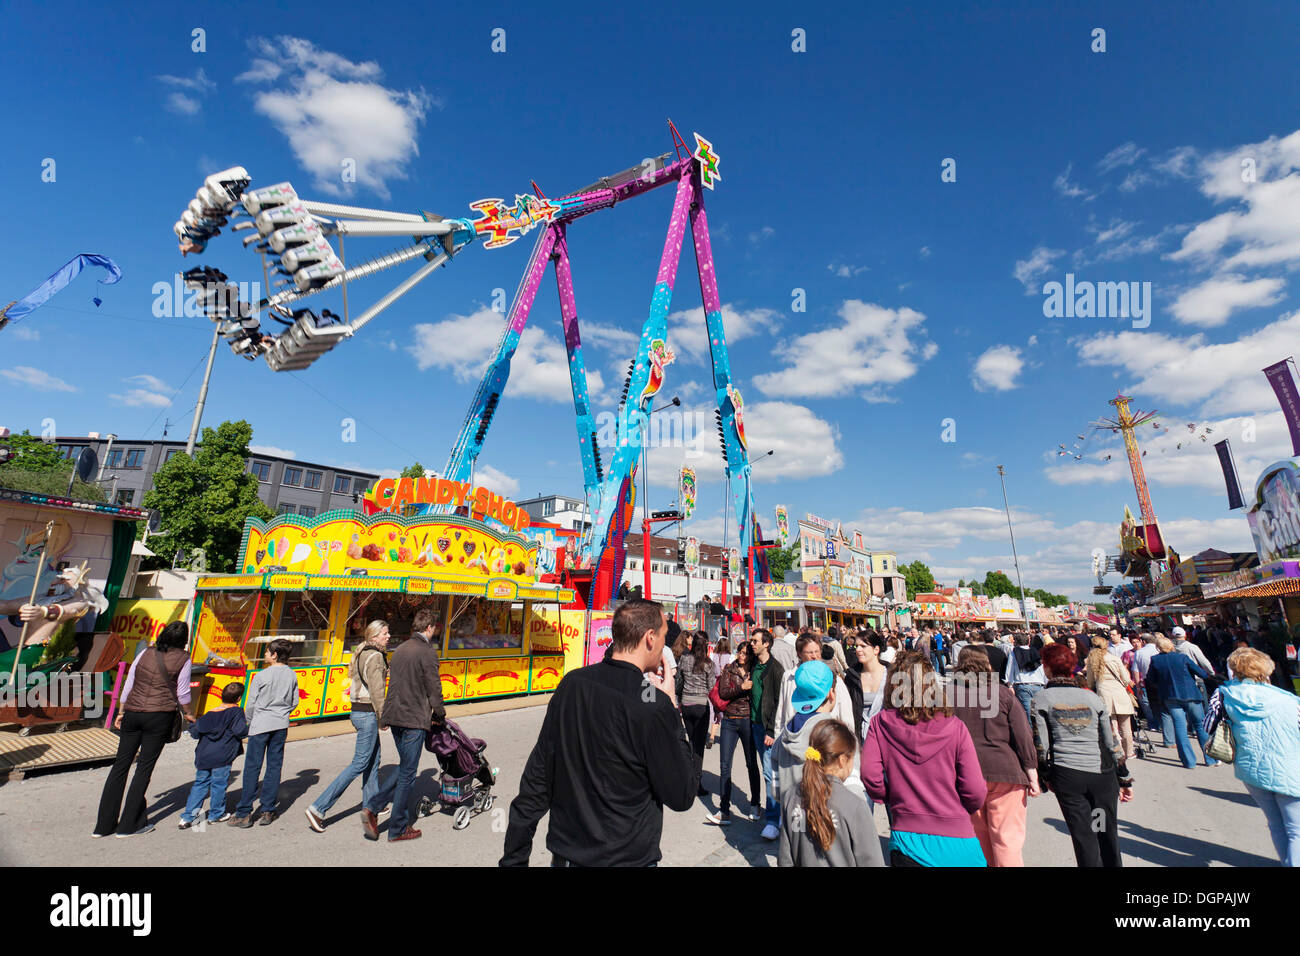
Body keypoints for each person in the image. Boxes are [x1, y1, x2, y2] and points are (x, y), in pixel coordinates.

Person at [501, 600, 698, 866]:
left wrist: (514, 859)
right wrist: (672, 706)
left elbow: (537, 779)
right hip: (626, 859)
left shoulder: (572, 684)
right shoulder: (654, 704)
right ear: (650, 638)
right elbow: (682, 794)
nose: (664, 645)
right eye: (663, 636)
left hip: (568, 855)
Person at [861, 651, 988, 867]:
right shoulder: (954, 726)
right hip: (956, 835)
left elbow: (870, 776)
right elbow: (975, 789)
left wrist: (891, 796)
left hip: (906, 836)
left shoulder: (880, 724)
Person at [1033, 644, 1132, 868]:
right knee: (1104, 832)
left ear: (1047, 668)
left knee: (1084, 837)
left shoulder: (1042, 699)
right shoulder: (1092, 698)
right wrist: (1124, 777)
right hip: (1102, 776)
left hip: (1069, 776)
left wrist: (1045, 776)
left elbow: (1041, 746)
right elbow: (1111, 742)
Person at [94, 620, 194, 838]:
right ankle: (129, 825)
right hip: (159, 716)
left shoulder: (146, 653)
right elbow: (183, 693)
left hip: (132, 713)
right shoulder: (184, 659)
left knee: (120, 766)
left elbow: (129, 683)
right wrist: (189, 713)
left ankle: (103, 826)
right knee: (143, 770)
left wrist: (121, 711)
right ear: (184, 640)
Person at [1205, 647, 1300, 866]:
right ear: (1266, 669)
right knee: (1296, 829)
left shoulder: (1223, 693)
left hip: (1250, 768)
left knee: (1276, 824)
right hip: (1290, 768)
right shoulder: (1288, 699)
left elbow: (1208, 724)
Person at [363, 606, 446, 843]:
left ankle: (374, 809)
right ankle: (395, 825)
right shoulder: (427, 652)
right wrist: (439, 713)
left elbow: (394, 684)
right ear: (430, 628)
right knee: (409, 772)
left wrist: (385, 715)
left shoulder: (400, 649)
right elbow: (434, 687)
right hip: (413, 718)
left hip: (396, 716)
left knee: (405, 766)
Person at [951, 647, 1039, 866]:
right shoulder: (1001, 693)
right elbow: (1022, 735)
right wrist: (1032, 772)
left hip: (966, 774)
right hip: (1005, 771)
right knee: (1006, 839)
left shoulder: (948, 695)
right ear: (987, 665)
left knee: (977, 836)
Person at [305, 620, 390, 832]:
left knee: (373, 759)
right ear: (375, 636)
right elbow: (378, 691)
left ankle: (372, 805)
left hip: (358, 711)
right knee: (360, 763)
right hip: (368, 712)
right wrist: (383, 718)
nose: (389, 637)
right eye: (385, 634)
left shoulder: (362, 652)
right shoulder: (376, 656)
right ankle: (319, 807)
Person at [779, 719, 884, 867]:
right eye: (853, 757)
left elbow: (785, 859)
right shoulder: (855, 806)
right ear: (842, 760)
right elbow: (872, 862)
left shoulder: (791, 796)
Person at [231, 638, 299, 828]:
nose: (266, 654)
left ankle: (244, 812)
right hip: (280, 724)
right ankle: (268, 809)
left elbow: (250, 704)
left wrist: (250, 722)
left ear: (275, 655)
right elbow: (294, 701)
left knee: (253, 767)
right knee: (274, 766)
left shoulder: (261, 676)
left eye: (268, 651)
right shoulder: (291, 675)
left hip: (260, 724)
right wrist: (283, 713)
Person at [706, 642, 762, 825]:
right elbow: (723, 693)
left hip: (746, 719)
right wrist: (741, 688)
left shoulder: (754, 670)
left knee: (751, 764)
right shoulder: (729, 669)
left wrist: (746, 689)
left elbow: (754, 695)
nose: (742, 656)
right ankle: (724, 810)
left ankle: (755, 804)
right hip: (729, 719)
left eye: (746, 653)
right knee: (724, 765)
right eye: (740, 652)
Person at [179, 682, 248, 828]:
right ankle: (216, 814)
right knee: (219, 784)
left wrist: (193, 723)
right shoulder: (236, 712)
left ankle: (188, 817)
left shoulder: (209, 714)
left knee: (200, 784)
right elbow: (240, 731)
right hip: (223, 755)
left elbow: (195, 733)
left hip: (204, 755)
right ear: (239, 698)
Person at [1147, 635, 1218, 769]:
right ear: (1171, 646)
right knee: (1200, 725)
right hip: (1190, 694)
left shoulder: (1155, 660)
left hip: (1170, 696)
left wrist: (1162, 685)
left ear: (1158, 648)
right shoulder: (1182, 657)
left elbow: (1150, 679)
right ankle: (1210, 759)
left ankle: (1189, 761)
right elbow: (1202, 673)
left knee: (1179, 726)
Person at [748, 628, 785, 840]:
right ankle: (773, 813)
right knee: (765, 770)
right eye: (752, 640)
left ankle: (773, 820)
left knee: (770, 774)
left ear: (766, 644)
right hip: (753, 723)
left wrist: (771, 730)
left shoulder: (775, 669)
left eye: (756, 641)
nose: (752, 644)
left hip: (767, 727)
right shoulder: (754, 664)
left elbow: (779, 701)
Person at [1084, 636, 1137, 760]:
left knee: (1112, 727)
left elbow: (1090, 681)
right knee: (1126, 727)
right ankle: (1129, 752)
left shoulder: (1092, 661)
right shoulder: (1114, 659)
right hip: (1119, 693)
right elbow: (1125, 678)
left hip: (1104, 694)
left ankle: (1118, 753)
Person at [676, 631, 719, 778]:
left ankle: (688, 776)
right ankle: (696, 782)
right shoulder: (708, 664)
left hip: (687, 704)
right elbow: (711, 686)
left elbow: (679, 682)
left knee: (692, 741)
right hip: (701, 705)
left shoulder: (684, 659)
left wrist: (680, 698)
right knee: (699, 746)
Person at [1005, 632, 1045, 725]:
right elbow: (1041, 668)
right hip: (1039, 684)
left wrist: (1010, 684)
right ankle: (1040, 736)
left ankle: (1030, 736)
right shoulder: (1036, 652)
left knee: (1026, 716)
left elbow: (1010, 668)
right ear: (1028, 641)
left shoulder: (1014, 652)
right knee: (1039, 715)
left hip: (1022, 685)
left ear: (1016, 642)